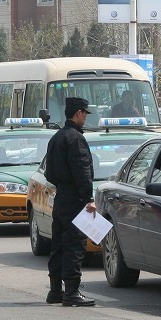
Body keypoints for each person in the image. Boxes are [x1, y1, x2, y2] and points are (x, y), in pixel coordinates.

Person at [43, 96, 96, 307]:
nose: (85, 118)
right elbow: (82, 171)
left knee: (59, 245)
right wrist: (89, 198)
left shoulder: (56, 137)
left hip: (61, 197)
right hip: (74, 199)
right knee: (75, 245)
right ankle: (72, 292)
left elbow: (49, 173)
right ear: (79, 113)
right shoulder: (76, 139)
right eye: (85, 114)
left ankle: (55, 290)